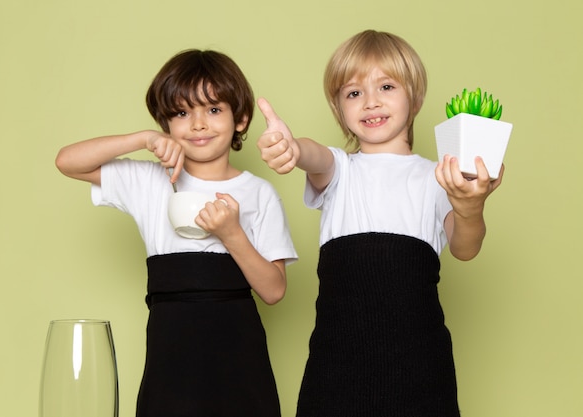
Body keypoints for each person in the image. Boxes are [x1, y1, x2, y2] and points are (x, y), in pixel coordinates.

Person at [256, 30, 504, 416]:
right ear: (339, 109)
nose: (370, 101)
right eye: (353, 93)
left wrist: (470, 206)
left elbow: (465, 248)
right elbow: (315, 156)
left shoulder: (437, 176)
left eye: (386, 86)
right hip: (336, 367)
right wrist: (292, 147)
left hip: (419, 369)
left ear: (415, 97)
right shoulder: (341, 170)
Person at [56, 49, 297, 417]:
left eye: (214, 110)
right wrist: (142, 139)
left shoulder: (259, 192)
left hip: (238, 355)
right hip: (171, 351)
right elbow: (67, 162)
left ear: (242, 119)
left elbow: (274, 290)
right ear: (165, 122)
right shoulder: (149, 181)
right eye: (182, 113)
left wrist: (232, 234)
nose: (198, 124)